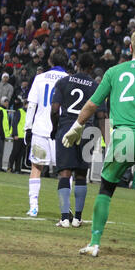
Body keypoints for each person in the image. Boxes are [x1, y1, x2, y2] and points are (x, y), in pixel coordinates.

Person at [62, 30, 135, 263]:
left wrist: (77, 125)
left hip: (121, 136)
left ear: (130, 49)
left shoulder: (114, 72)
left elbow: (93, 104)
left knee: (106, 189)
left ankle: (94, 243)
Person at [51, 52, 102, 228]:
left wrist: (55, 128)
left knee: (64, 172)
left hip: (66, 128)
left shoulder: (63, 82)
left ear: (77, 64)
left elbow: (55, 109)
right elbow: (102, 115)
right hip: (88, 131)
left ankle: (65, 217)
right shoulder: (96, 87)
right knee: (81, 174)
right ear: (91, 68)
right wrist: (106, 140)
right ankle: (77, 218)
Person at [24, 47, 69, 217]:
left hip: (40, 129)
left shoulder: (40, 78)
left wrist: (27, 128)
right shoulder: (68, 79)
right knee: (65, 170)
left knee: (36, 167)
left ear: (50, 61)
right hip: (61, 131)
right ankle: (65, 209)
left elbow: (32, 105)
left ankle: (33, 206)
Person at [7, 100, 27, 173]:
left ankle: (17, 169)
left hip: (24, 137)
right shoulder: (19, 111)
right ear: (25, 104)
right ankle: (10, 167)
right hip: (18, 136)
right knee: (15, 152)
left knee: (21, 154)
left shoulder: (29, 113)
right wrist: (15, 134)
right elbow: (14, 123)